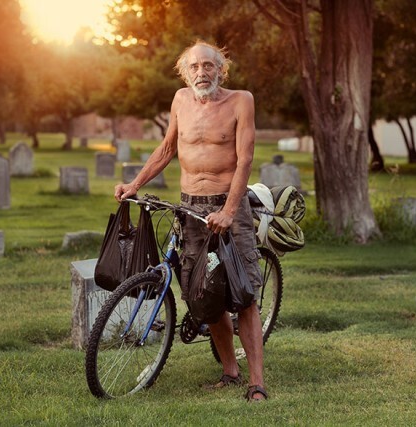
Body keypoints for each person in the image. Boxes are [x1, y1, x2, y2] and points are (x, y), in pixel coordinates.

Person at [113, 40, 267, 402]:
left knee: (244, 295)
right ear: (185, 72)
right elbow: (167, 148)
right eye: (195, 66)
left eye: (209, 66)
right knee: (203, 294)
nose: (202, 72)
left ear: (221, 70)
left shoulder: (241, 100)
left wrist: (229, 211)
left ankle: (256, 382)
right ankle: (230, 371)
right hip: (191, 209)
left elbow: (244, 160)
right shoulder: (180, 100)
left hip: (229, 206)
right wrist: (134, 184)